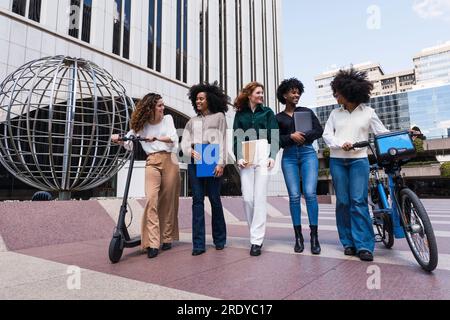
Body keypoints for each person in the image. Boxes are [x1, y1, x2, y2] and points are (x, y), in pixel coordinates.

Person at [322, 69, 389, 262]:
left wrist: (404, 133)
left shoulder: (368, 112)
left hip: (359, 160)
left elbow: (381, 132)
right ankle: (348, 242)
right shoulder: (335, 113)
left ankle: (364, 245)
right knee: (343, 202)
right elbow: (327, 135)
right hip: (337, 160)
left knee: (358, 201)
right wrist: (338, 144)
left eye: (337, 92)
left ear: (348, 92)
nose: (335, 95)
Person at [111, 93, 180, 259]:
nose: (163, 108)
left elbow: (173, 138)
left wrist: (155, 138)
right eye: (159, 106)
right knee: (151, 200)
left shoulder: (168, 119)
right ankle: (153, 242)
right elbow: (129, 142)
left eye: (163, 105)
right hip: (152, 162)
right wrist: (118, 139)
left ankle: (167, 237)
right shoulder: (141, 125)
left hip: (170, 160)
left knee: (168, 201)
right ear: (150, 108)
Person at [276, 78, 323, 255]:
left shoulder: (306, 111)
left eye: (298, 92)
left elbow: (319, 130)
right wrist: (290, 137)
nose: (296, 95)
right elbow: (275, 141)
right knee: (294, 196)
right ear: (284, 94)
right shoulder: (277, 118)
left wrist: (303, 135)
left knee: (310, 193)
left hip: (308, 154)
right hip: (288, 157)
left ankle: (314, 237)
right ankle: (298, 237)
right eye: (293, 92)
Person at [181, 82, 229, 256]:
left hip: (211, 157)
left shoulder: (219, 117)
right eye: (197, 99)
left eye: (201, 98)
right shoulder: (191, 121)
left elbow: (223, 140)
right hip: (195, 160)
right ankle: (199, 244)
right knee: (197, 201)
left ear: (210, 99)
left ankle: (219, 239)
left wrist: (221, 163)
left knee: (215, 200)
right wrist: (189, 151)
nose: (198, 101)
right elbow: (184, 142)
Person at [233, 81, 279, 257]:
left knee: (259, 198)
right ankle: (254, 232)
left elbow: (274, 135)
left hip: (262, 150)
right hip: (246, 150)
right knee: (247, 198)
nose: (261, 95)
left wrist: (272, 156)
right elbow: (236, 137)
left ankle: (256, 240)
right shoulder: (240, 114)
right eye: (258, 93)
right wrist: (239, 157)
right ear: (249, 94)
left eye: (262, 93)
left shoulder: (268, 113)